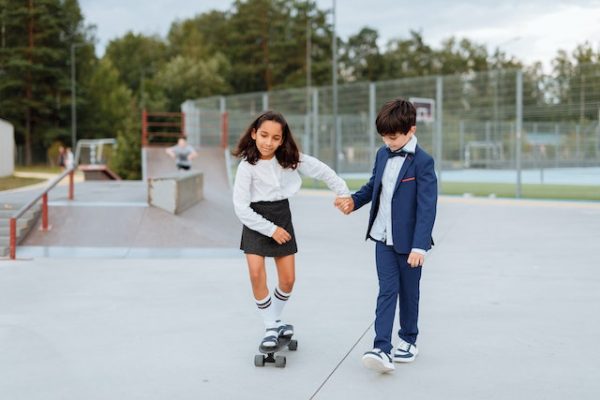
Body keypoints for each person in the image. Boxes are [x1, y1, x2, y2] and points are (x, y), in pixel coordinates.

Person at [232, 110, 350, 351]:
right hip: (256, 220)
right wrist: (270, 229)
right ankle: (270, 327)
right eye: (264, 135)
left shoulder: (290, 158)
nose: (268, 142)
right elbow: (240, 207)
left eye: (275, 138)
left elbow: (322, 170)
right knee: (256, 274)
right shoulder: (247, 166)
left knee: (287, 280)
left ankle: (275, 319)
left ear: (282, 139)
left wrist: (343, 191)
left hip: (281, 216)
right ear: (254, 133)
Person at [335, 98, 437, 373]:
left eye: (393, 137)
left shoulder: (423, 162)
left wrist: (420, 246)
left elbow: (427, 207)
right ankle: (381, 347)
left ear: (411, 130)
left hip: (410, 244)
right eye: (384, 137)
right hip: (382, 238)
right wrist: (353, 202)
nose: (388, 142)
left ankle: (409, 339)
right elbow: (373, 187)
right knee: (387, 291)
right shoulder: (383, 154)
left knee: (409, 292)